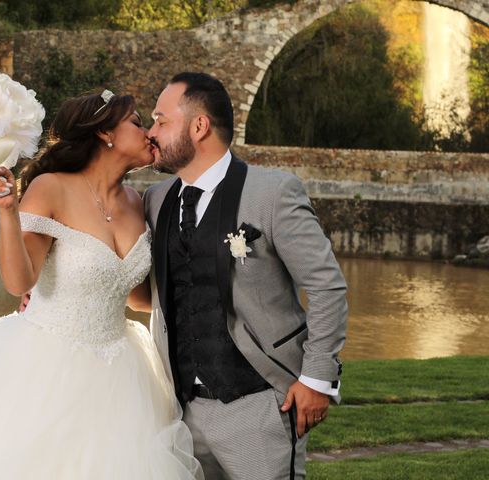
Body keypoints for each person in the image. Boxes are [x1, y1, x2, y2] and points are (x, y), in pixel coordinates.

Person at [0, 91, 203, 480]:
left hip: (120, 372)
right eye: (136, 122)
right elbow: (19, 280)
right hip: (47, 360)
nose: (148, 131)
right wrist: (7, 213)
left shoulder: (139, 203)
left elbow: (138, 298)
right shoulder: (51, 187)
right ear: (105, 133)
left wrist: (206, 281)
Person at [143, 72, 348, 480]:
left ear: (199, 126)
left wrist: (317, 379)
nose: (151, 132)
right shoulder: (155, 200)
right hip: (179, 410)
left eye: (160, 120)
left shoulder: (272, 193)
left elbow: (327, 287)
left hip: (260, 406)